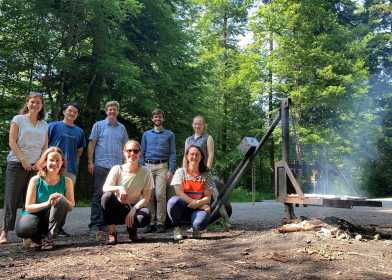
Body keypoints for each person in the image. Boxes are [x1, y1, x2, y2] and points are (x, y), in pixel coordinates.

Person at [0, 92, 48, 244]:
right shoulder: (18, 119)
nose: (35, 105)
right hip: (16, 164)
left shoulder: (44, 124)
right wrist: (24, 160)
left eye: (38, 103)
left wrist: (39, 163)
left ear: (41, 106)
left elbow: (45, 146)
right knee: (11, 199)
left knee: (31, 200)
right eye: (32, 102)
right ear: (27, 103)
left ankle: (28, 233)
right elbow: (12, 142)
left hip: (35, 166)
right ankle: (5, 232)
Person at [15, 147, 75, 250]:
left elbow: (71, 206)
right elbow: (28, 207)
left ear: (62, 163)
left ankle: (49, 239)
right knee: (23, 230)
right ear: (45, 161)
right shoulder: (35, 180)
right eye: (51, 160)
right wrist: (48, 203)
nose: (54, 163)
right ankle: (36, 239)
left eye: (58, 160)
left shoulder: (67, 181)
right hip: (34, 215)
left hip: (54, 218)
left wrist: (62, 198)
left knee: (60, 200)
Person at [88, 101, 128, 238]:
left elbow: (125, 148)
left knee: (111, 196)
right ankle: (95, 224)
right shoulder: (98, 125)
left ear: (118, 112)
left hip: (116, 168)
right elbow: (92, 144)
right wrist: (90, 162)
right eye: (110, 109)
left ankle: (107, 222)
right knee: (98, 195)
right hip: (100, 165)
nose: (112, 111)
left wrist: (126, 165)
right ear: (106, 111)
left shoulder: (122, 128)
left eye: (114, 109)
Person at [101, 140, 153, 245]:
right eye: (129, 151)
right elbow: (105, 188)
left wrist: (134, 209)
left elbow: (146, 198)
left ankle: (132, 231)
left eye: (135, 151)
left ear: (140, 153)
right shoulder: (117, 169)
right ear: (124, 153)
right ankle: (112, 233)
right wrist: (119, 188)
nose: (132, 153)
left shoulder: (146, 172)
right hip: (117, 208)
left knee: (145, 216)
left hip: (132, 207)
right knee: (106, 197)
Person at [48, 102, 86, 236]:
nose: (72, 113)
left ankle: (58, 227)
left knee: (65, 199)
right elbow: (45, 145)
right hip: (52, 168)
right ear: (64, 112)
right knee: (49, 195)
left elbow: (80, 150)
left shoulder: (79, 131)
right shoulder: (53, 126)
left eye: (75, 112)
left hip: (70, 169)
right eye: (70, 110)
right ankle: (44, 226)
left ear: (77, 115)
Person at [140, 109, 176, 233]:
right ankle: (150, 222)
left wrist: (171, 170)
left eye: (159, 117)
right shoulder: (146, 134)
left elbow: (172, 153)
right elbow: (142, 152)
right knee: (149, 195)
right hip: (148, 166)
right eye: (155, 117)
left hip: (162, 166)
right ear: (152, 119)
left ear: (163, 119)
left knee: (160, 194)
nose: (157, 119)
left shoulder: (169, 134)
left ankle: (161, 222)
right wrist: (141, 167)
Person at [167, 145, 214, 240]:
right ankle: (177, 228)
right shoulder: (180, 172)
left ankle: (196, 229)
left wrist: (198, 204)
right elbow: (179, 193)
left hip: (197, 209)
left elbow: (208, 198)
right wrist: (198, 204)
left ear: (201, 157)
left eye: (197, 155)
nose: (194, 157)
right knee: (173, 202)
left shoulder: (206, 175)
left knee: (199, 224)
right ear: (187, 156)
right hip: (184, 207)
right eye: (192, 154)